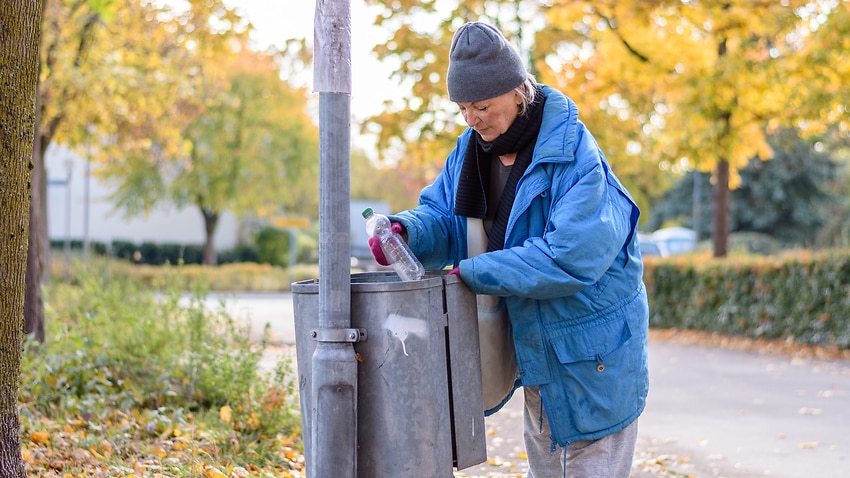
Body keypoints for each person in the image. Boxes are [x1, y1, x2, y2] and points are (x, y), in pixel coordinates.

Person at [368, 21, 649, 478]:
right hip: (541, 349)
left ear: (519, 91)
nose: (472, 118)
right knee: (548, 466)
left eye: (481, 105)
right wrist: (405, 231)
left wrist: (474, 272)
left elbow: (569, 256)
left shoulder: (574, 154)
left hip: (593, 352)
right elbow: (443, 216)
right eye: (462, 108)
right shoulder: (470, 152)